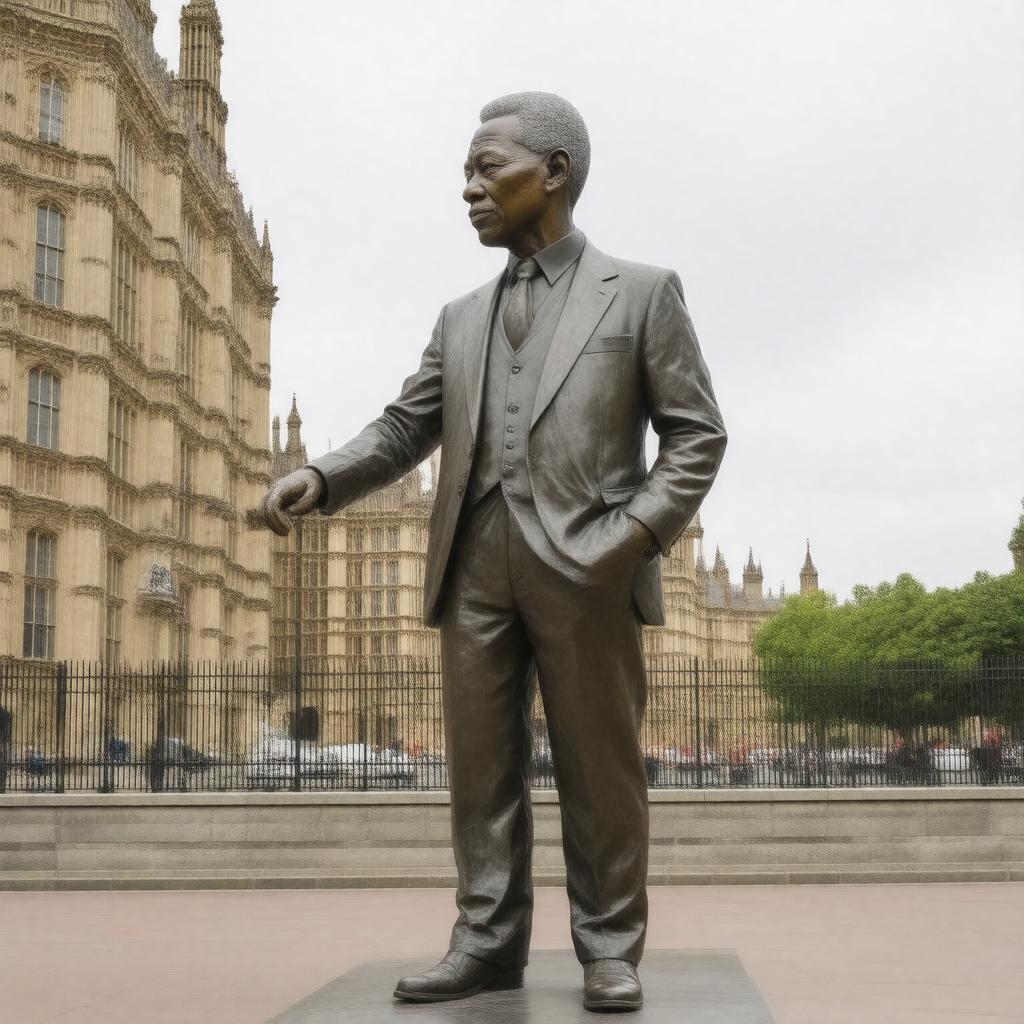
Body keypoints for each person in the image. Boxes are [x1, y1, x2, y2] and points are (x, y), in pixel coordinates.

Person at [260, 91, 727, 1013]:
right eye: (466, 172)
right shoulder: (461, 316)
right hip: (473, 567)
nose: (467, 188)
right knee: (480, 773)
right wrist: (320, 477)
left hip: (586, 565)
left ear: (552, 174)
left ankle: (608, 947)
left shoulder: (640, 293)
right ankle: (485, 939)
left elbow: (697, 435)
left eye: (487, 169)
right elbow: (406, 426)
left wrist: (631, 538)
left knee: (601, 769)